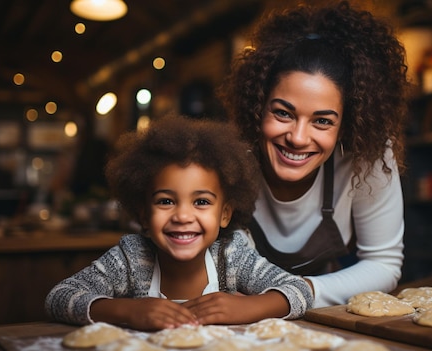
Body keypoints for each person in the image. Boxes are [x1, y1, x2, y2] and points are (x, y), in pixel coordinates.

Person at [217, 0, 409, 308]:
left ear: (347, 124)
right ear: (257, 106)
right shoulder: (229, 156)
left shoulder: (367, 155)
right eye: (283, 113)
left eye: (322, 121)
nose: (297, 137)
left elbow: (383, 264)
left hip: (324, 316)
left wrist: (282, 299)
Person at [45, 114, 313, 331]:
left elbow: (300, 290)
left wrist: (246, 308)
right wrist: (127, 310)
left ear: (225, 214)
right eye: (165, 201)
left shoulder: (231, 256)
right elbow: (59, 297)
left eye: (201, 202)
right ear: (143, 214)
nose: (183, 216)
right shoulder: (130, 258)